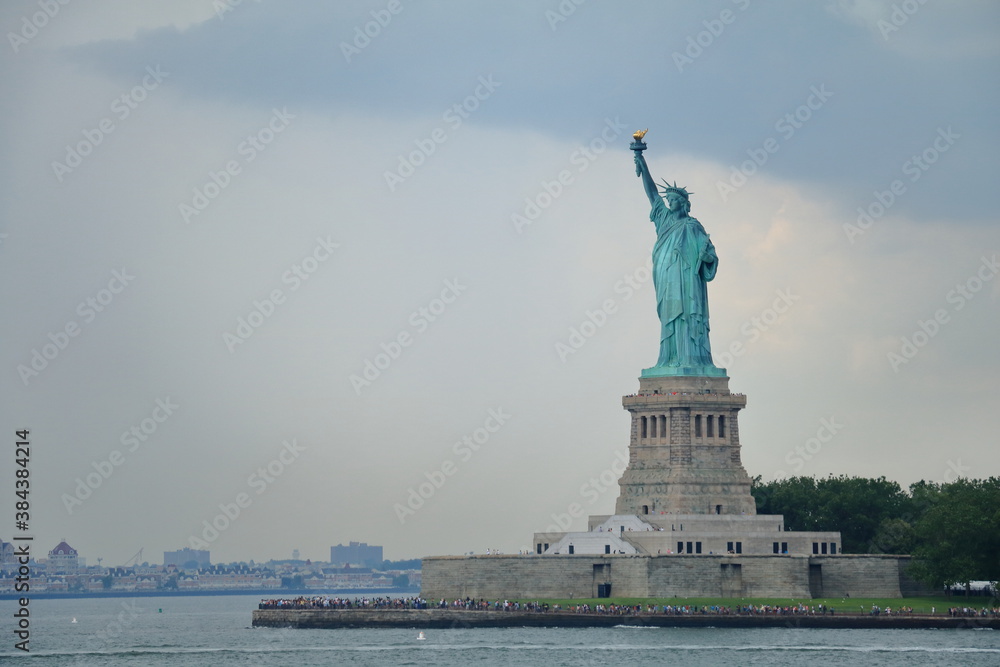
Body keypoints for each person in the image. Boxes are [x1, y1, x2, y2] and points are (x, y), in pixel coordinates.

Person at [632, 138, 721, 372]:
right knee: (671, 317)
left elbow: (710, 256)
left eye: (674, 200)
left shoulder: (693, 226)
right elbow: (652, 195)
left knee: (689, 316)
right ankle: (670, 358)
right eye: (669, 200)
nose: (670, 203)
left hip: (688, 280)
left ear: (684, 204)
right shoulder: (663, 220)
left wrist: (707, 256)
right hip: (667, 277)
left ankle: (692, 359)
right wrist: (642, 163)